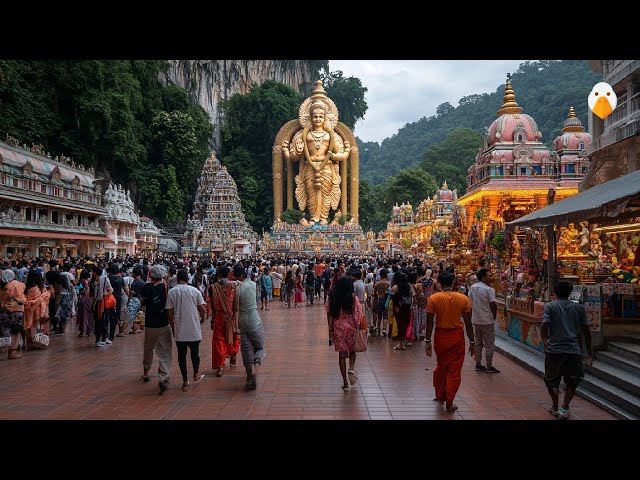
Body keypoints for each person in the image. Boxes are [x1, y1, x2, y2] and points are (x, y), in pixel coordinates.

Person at [282, 81, 351, 224]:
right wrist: (294, 151)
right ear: (310, 118)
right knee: (310, 194)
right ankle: (313, 218)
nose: (318, 119)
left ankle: (324, 218)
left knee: (325, 193)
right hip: (309, 166)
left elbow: (343, 155)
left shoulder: (331, 136)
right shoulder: (303, 135)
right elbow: (293, 157)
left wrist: (335, 155)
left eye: (321, 117)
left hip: (326, 168)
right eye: (315, 116)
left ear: (326, 118)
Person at [541, 281, 593, 420]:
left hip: (554, 350)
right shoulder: (579, 308)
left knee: (552, 381)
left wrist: (546, 342)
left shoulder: (549, 306)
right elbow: (586, 331)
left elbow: (544, 325)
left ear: (555, 293)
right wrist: (589, 354)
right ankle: (564, 407)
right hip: (573, 350)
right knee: (572, 381)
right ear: (570, 293)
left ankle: (555, 406)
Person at [425, 272, 475, 412]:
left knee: (441, 365)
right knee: (454, 370)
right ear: (454, 283)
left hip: (440, 337)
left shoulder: (434, 298)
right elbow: (468, 323)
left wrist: (427, 340)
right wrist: (472, 341)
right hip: (456, 337)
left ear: (439, 282)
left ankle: (440, 395)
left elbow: (429, 321)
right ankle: (450, 402)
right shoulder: (463, 299)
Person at [166, 269, 206, 392]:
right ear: (188, 279)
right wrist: (203, 318)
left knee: (181, 356)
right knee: (195, 353)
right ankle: (196, 373)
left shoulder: (172, 292)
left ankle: (185, 381)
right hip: (193, 326)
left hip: (180, 328)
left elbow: (169, 311)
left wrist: (172, 325)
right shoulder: (195, 291)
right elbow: (201, 308)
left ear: (177, 279)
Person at [140, 265, 172, 394]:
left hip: (150, 323)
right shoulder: (167, 288)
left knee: (148, 348)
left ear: (150, 275)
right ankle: (163, 377)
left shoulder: (146, 287)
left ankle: (146, 373)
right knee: (165, 351)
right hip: (163, 323)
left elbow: (142, 302)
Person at [234, 264, 266, 390]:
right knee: (259, 348)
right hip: (254, 320)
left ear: (240, 275)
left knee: (246, 350)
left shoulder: (237, 288)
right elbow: (257, 299)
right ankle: (254, 369)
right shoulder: (254, 285)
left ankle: (249, 376)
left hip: (242, 322)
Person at [329, 275, 363, 390]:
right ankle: (351, 368)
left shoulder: (334, 297)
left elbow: (330, 314)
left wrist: (330, 330)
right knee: (352, 350)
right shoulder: (354, 298)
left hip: (338, 327)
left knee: (342, 354)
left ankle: (345, 382)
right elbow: (358, 312)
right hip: (351, 326)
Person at [209, 266, 240, 377]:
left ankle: (220, 367)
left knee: (219, 342)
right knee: (234, 337)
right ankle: (233, 356)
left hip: (219, 318)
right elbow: (236, 305)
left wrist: (212, 320)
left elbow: (212, 307)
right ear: (228, 274)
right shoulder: (234, 286)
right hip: (231, 317)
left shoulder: (213, 288)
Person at [468, 268, 500, 373]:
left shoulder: (472, 288)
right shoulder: (489, 289)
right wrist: (493, 317)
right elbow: (493, 305)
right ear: (483, 278)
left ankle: (478, 364)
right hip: (487, 320)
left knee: (478, 343)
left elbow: (470, 302)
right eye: (489, 275)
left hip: (476, 320)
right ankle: (489, 366)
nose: (491, 277)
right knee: (489, 344)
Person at [0, 269, 26, 359]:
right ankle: (12, 352)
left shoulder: (3, 286)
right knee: (15, 331)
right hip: (17, 311)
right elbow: (20, 295)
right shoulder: (17, 284)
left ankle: (2, 350)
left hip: (4, 311)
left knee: (4, 331)